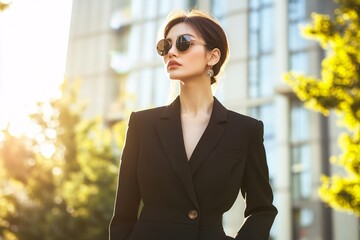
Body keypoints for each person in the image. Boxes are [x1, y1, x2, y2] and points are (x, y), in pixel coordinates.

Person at [109, 9, 277, 240]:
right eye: (165, 46)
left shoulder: (245, 131)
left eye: (183, 43)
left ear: (213, 56)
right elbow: (123, 216)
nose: (171, 53)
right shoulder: (142, 125)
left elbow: (262, 210)